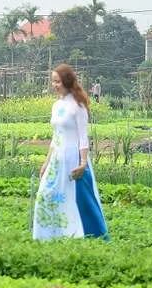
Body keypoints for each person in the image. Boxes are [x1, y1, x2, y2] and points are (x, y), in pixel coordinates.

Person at [33, 64, 108, 240]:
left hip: (73, 158)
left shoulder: (78, 105)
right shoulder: (56, 105)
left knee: (72, 198)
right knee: (46, 194)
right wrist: (46, 161)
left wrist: (83, 164)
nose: (54, 85)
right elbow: (55, 136)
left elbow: (83, 137)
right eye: (53, 81)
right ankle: (47, 235)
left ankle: (75, 234)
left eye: (57, 81)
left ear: (66, 81)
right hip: (57, 159)